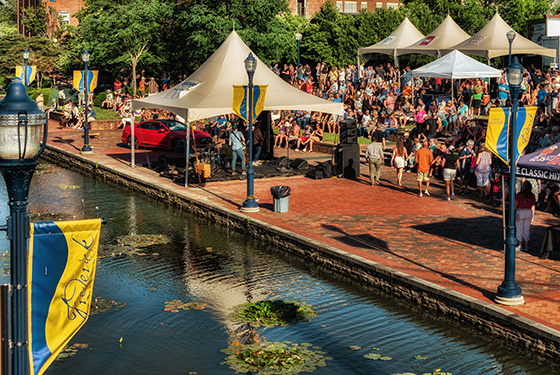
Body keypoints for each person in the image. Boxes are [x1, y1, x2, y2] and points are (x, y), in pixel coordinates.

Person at [515, 180, 536, 252]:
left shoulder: (519, 195)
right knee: (527, 229)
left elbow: (515, 205)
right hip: (528, 212)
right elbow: (533, 204)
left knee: (519, 229)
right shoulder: (532, 195)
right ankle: (526, 246)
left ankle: (520, 245)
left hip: (520, 211)